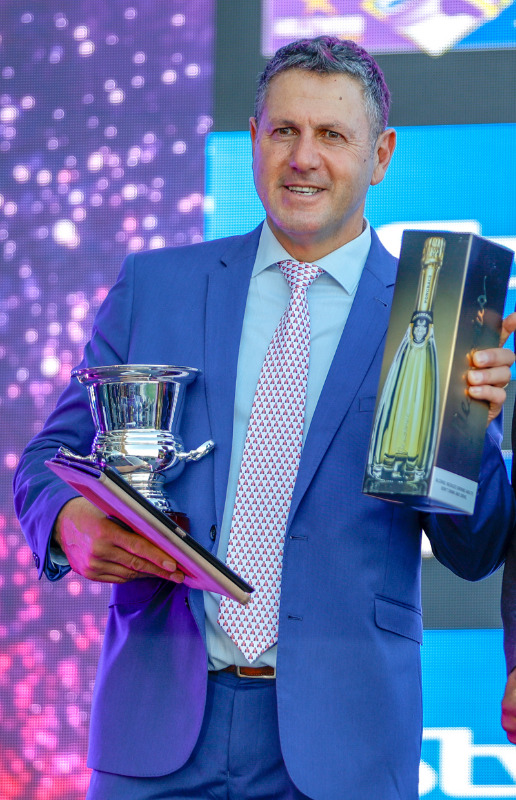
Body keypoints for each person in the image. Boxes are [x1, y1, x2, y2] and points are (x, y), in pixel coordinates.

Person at [14, 36, 516, 800]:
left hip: (345, 747)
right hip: (154, 733)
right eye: (284, 130)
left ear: (381, 155)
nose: (303, 158)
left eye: (332, 134)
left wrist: (469, 434)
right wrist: (65, 522)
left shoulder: (434, 316)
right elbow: (47, 457)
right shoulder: (155, 287)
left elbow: (473, 551)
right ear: (253, 139)